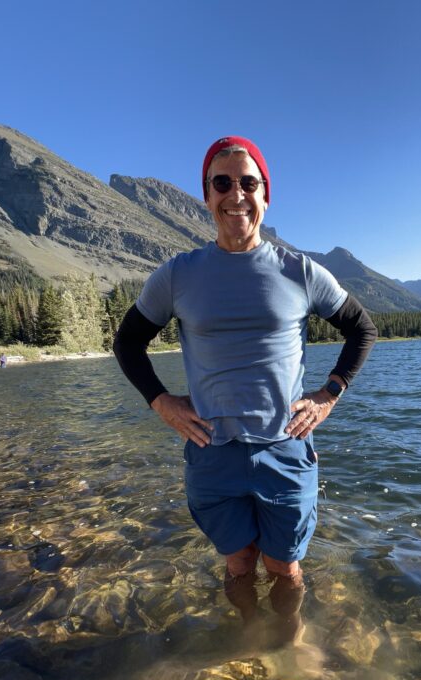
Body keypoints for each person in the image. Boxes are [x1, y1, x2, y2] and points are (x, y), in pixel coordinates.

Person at [113, 136, 377, 640]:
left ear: (265, 195)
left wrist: (330, 394)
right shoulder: (177, 276)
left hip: (286, 449)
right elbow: (127, 342)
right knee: (238, 564)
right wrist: (161, 401)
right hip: (212, 452)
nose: (237, 195)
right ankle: (248, 632)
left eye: (248, 183)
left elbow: (361, 328)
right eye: (223, 183)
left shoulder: (299, 271)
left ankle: (288, 640)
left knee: (285, 568)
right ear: (207, 196)